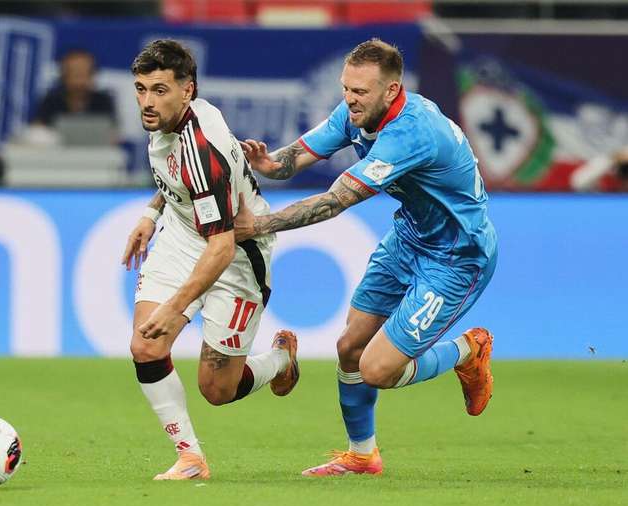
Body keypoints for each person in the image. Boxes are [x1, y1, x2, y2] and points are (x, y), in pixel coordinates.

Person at [234, 38, 498, 477]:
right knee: (350, 347)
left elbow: (335, 202)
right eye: (346, 88)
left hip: (456, 257)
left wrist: (259, 226)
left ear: (391, 91)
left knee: (377, 369)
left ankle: (468, 352)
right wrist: (267, 164)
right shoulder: (357, 112)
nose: (350, 99)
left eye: (361, 92)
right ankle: (362, 456)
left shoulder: (412, 134)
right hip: (409, 237)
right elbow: (298, 155)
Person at [121, 39, 299, 481]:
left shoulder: (201, 149)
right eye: (141, 89)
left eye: (159, 90)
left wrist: (175, 307)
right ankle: (191, 458)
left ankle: (280, 360)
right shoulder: (178, 118)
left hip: (237, 254)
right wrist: (152, 212)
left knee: (217, 390)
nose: (147, 101)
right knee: (146, 344)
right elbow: (177, 177)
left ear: (188, 90)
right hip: (185, 236)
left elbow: (220, 246)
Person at [32, 49, 116, 127]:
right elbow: (38, 129)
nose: (80, 81)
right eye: (75, 74)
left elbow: (113, 133)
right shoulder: (51, 101)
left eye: (84, 74)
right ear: (64, 76)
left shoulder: (103, 101)